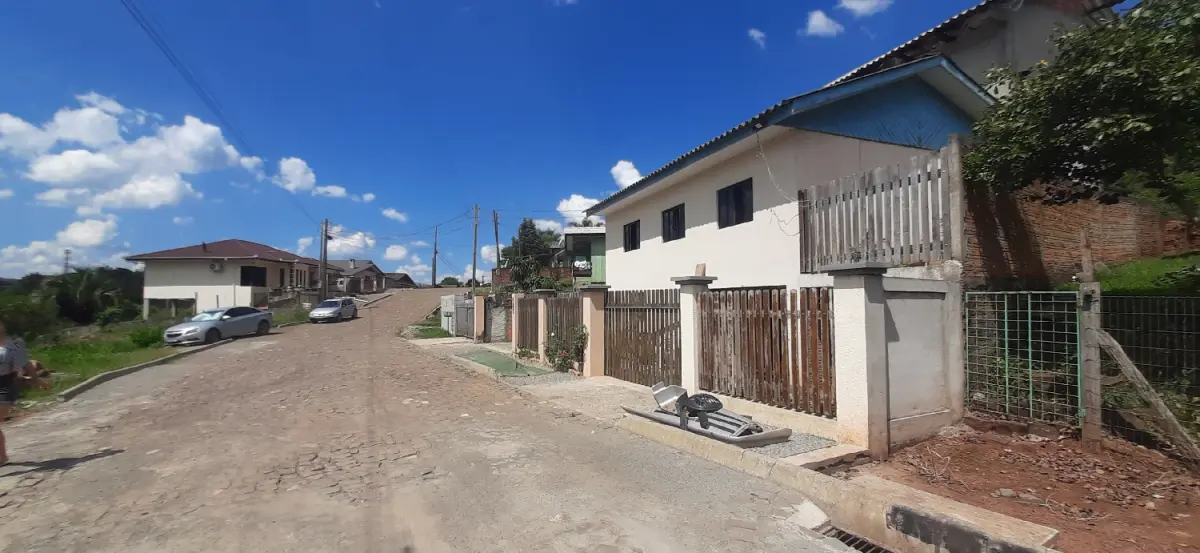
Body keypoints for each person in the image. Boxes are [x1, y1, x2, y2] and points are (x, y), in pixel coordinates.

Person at [0, 320, 49, 465]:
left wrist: (36, 380)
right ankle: (2, 457)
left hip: (7, 384)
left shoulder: (14, 345)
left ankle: (2, 457)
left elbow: (26, 363)